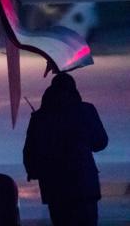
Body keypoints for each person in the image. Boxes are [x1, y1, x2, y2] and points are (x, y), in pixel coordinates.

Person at [23, 72, 108, 226]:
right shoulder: (86, 110)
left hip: (55, 187)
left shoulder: (40, 117)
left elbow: (30, 151)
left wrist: (33, 171)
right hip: (84, 185)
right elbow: (101, 142)